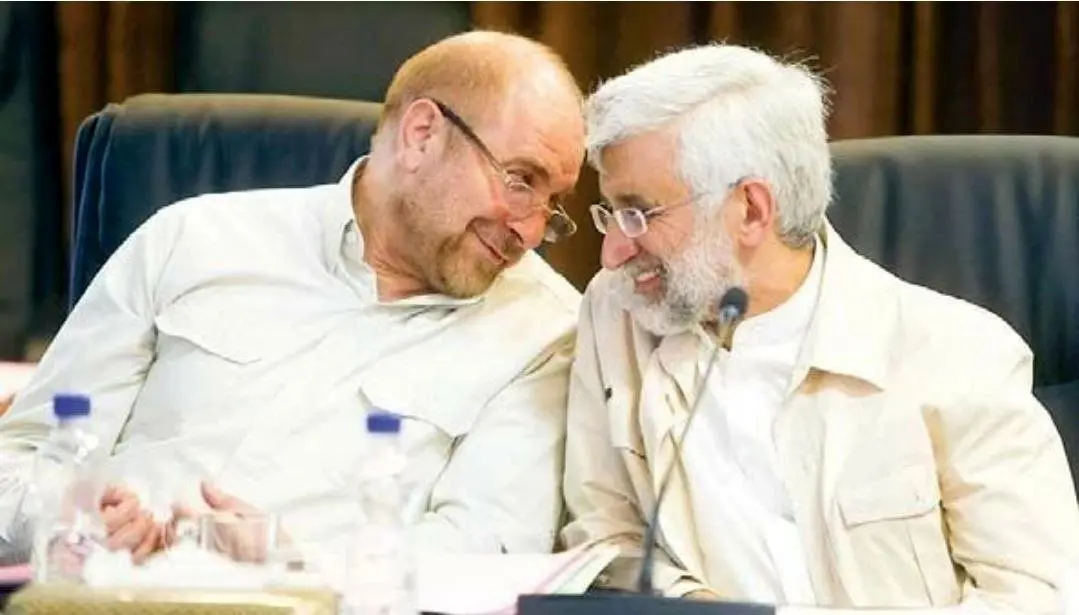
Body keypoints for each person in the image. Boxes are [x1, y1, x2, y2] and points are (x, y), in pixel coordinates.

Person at [0, 30, 586, 566]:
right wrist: (70, 520)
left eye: (554, 203)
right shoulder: (192, 238)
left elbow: (485, 555)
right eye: (521, 181)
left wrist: (295, 561)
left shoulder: (542, 332)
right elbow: (19, 458)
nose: (532, 230)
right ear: (421, 134)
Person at [560, 43, 1079, 614]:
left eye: (638, 213)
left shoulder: (959, 354)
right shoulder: (616, 314)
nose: (612, 252)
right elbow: (604, 541)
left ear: (752, 209)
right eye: (610, 212)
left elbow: (1038, 596)